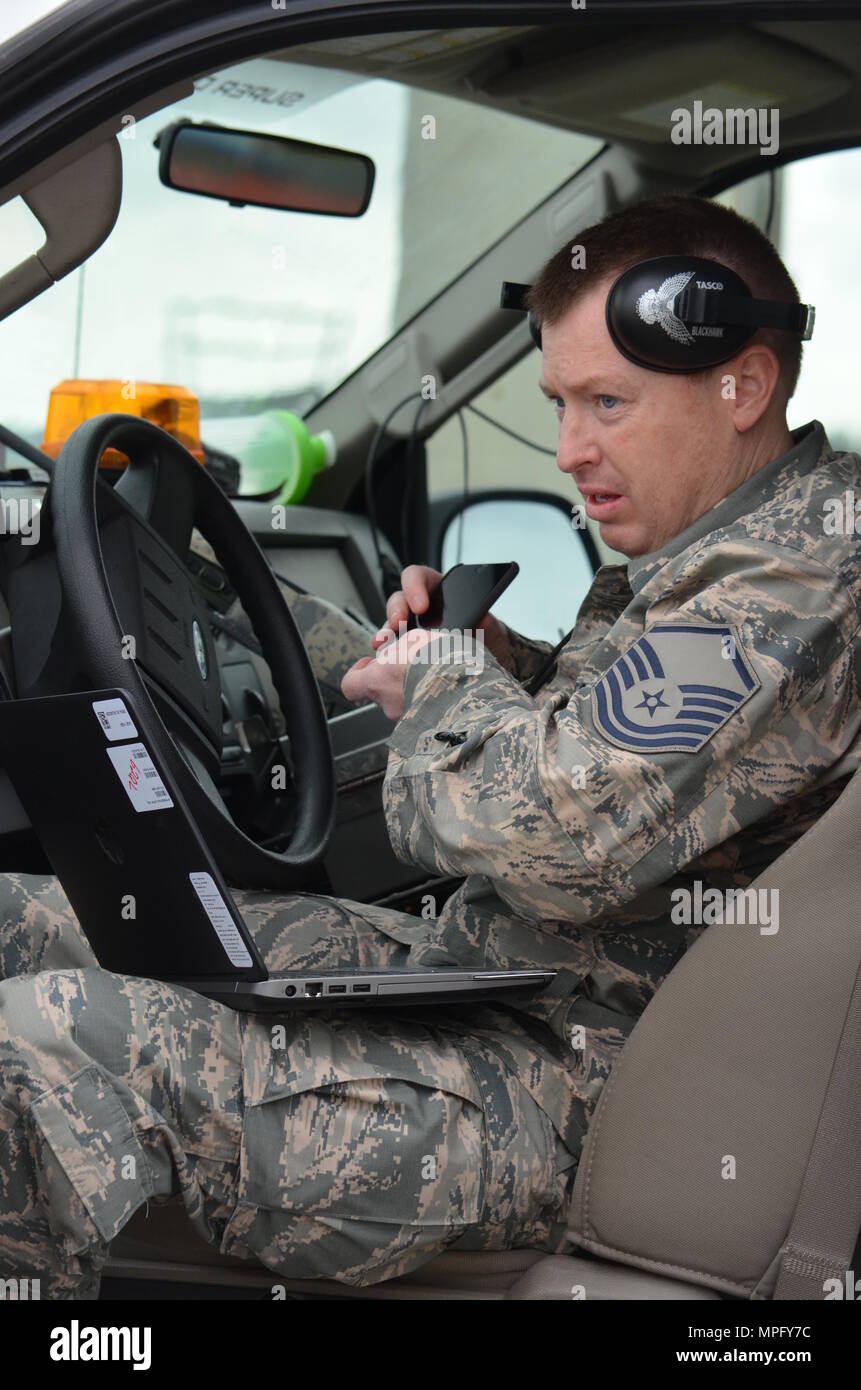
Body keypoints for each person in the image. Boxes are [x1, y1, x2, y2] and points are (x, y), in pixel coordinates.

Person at [2, 195, 859, 1298]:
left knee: (47, 1035)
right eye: (557, 403)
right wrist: (485, 656)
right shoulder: (726, 555)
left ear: (744, 384)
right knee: (24, 918)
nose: (569, 451)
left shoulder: (800, 574)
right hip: (502, 983)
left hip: (591, 1082)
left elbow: (560, 828)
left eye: (608, 403)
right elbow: (639, 747)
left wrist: (449, 681)